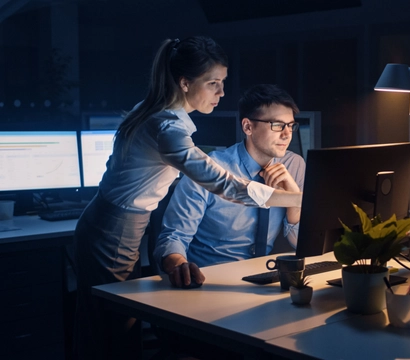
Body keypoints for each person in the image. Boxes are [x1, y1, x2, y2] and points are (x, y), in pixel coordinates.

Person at [72, 37, 301, 360]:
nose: (222, 93)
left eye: (222, 83)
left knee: (105, 327)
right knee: (113, 331)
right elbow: (222, 184)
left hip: (115, 224)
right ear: (184, 83)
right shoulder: (167, 127)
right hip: (115, 229)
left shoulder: (158, 113)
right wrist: (297, 198)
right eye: (213, 84)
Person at [154, 84, 305, 287]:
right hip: (210, 281)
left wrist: (295, 201)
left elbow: (302, 246)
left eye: (291, 125)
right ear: (248, 127)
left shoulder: (293, 165)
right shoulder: (209, 169)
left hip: (264, 279)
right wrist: (180, 264)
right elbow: (173, 237)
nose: (287, 134)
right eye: (277, 125)